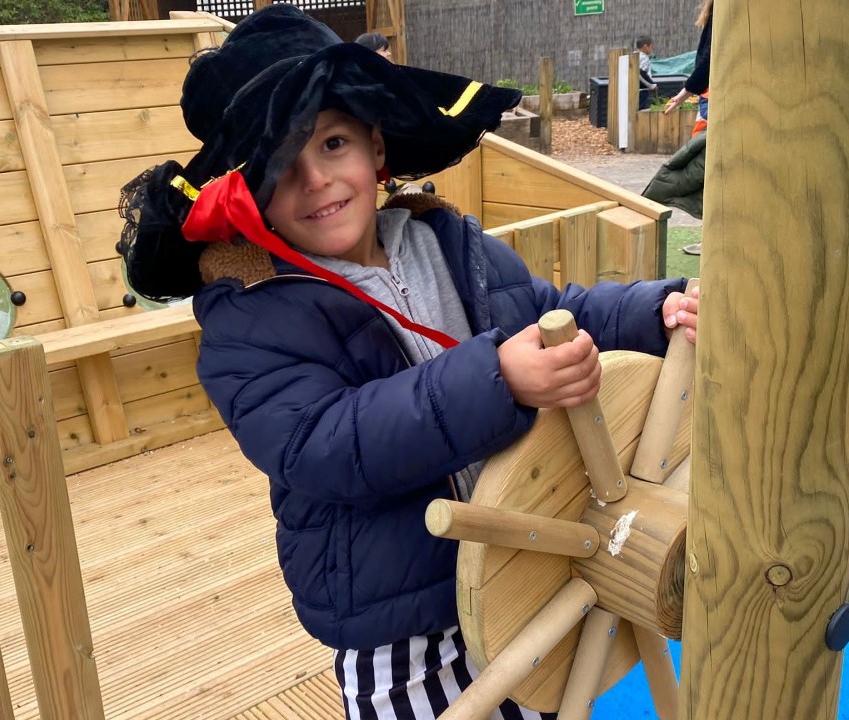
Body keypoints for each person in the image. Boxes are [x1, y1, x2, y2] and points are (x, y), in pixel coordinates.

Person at [119, 5, 700, 718]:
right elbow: (322, 444)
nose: (318, 180)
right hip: (402, 613)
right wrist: (498, 379)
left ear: (375, 145)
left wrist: (651, 310)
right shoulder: (249, 312)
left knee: (550, 701)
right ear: (247, 194)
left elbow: (555, 308)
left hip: (531, 560)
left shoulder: (446, 239)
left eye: (332, 144)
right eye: (281, 165)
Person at [663, 0, 713, 137]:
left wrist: (685, 93)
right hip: (710, 93)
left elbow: (711, 55)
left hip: (711, 94)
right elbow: (711, 54)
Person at [635, 34, 657, 110]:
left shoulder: (634, 56)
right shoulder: (644, 57)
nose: (651, 49)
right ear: (645, 46)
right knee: (641, 110)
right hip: (642, 90)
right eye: (651, 47)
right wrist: (652, 85)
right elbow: (641, 73)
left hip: (634, 89)